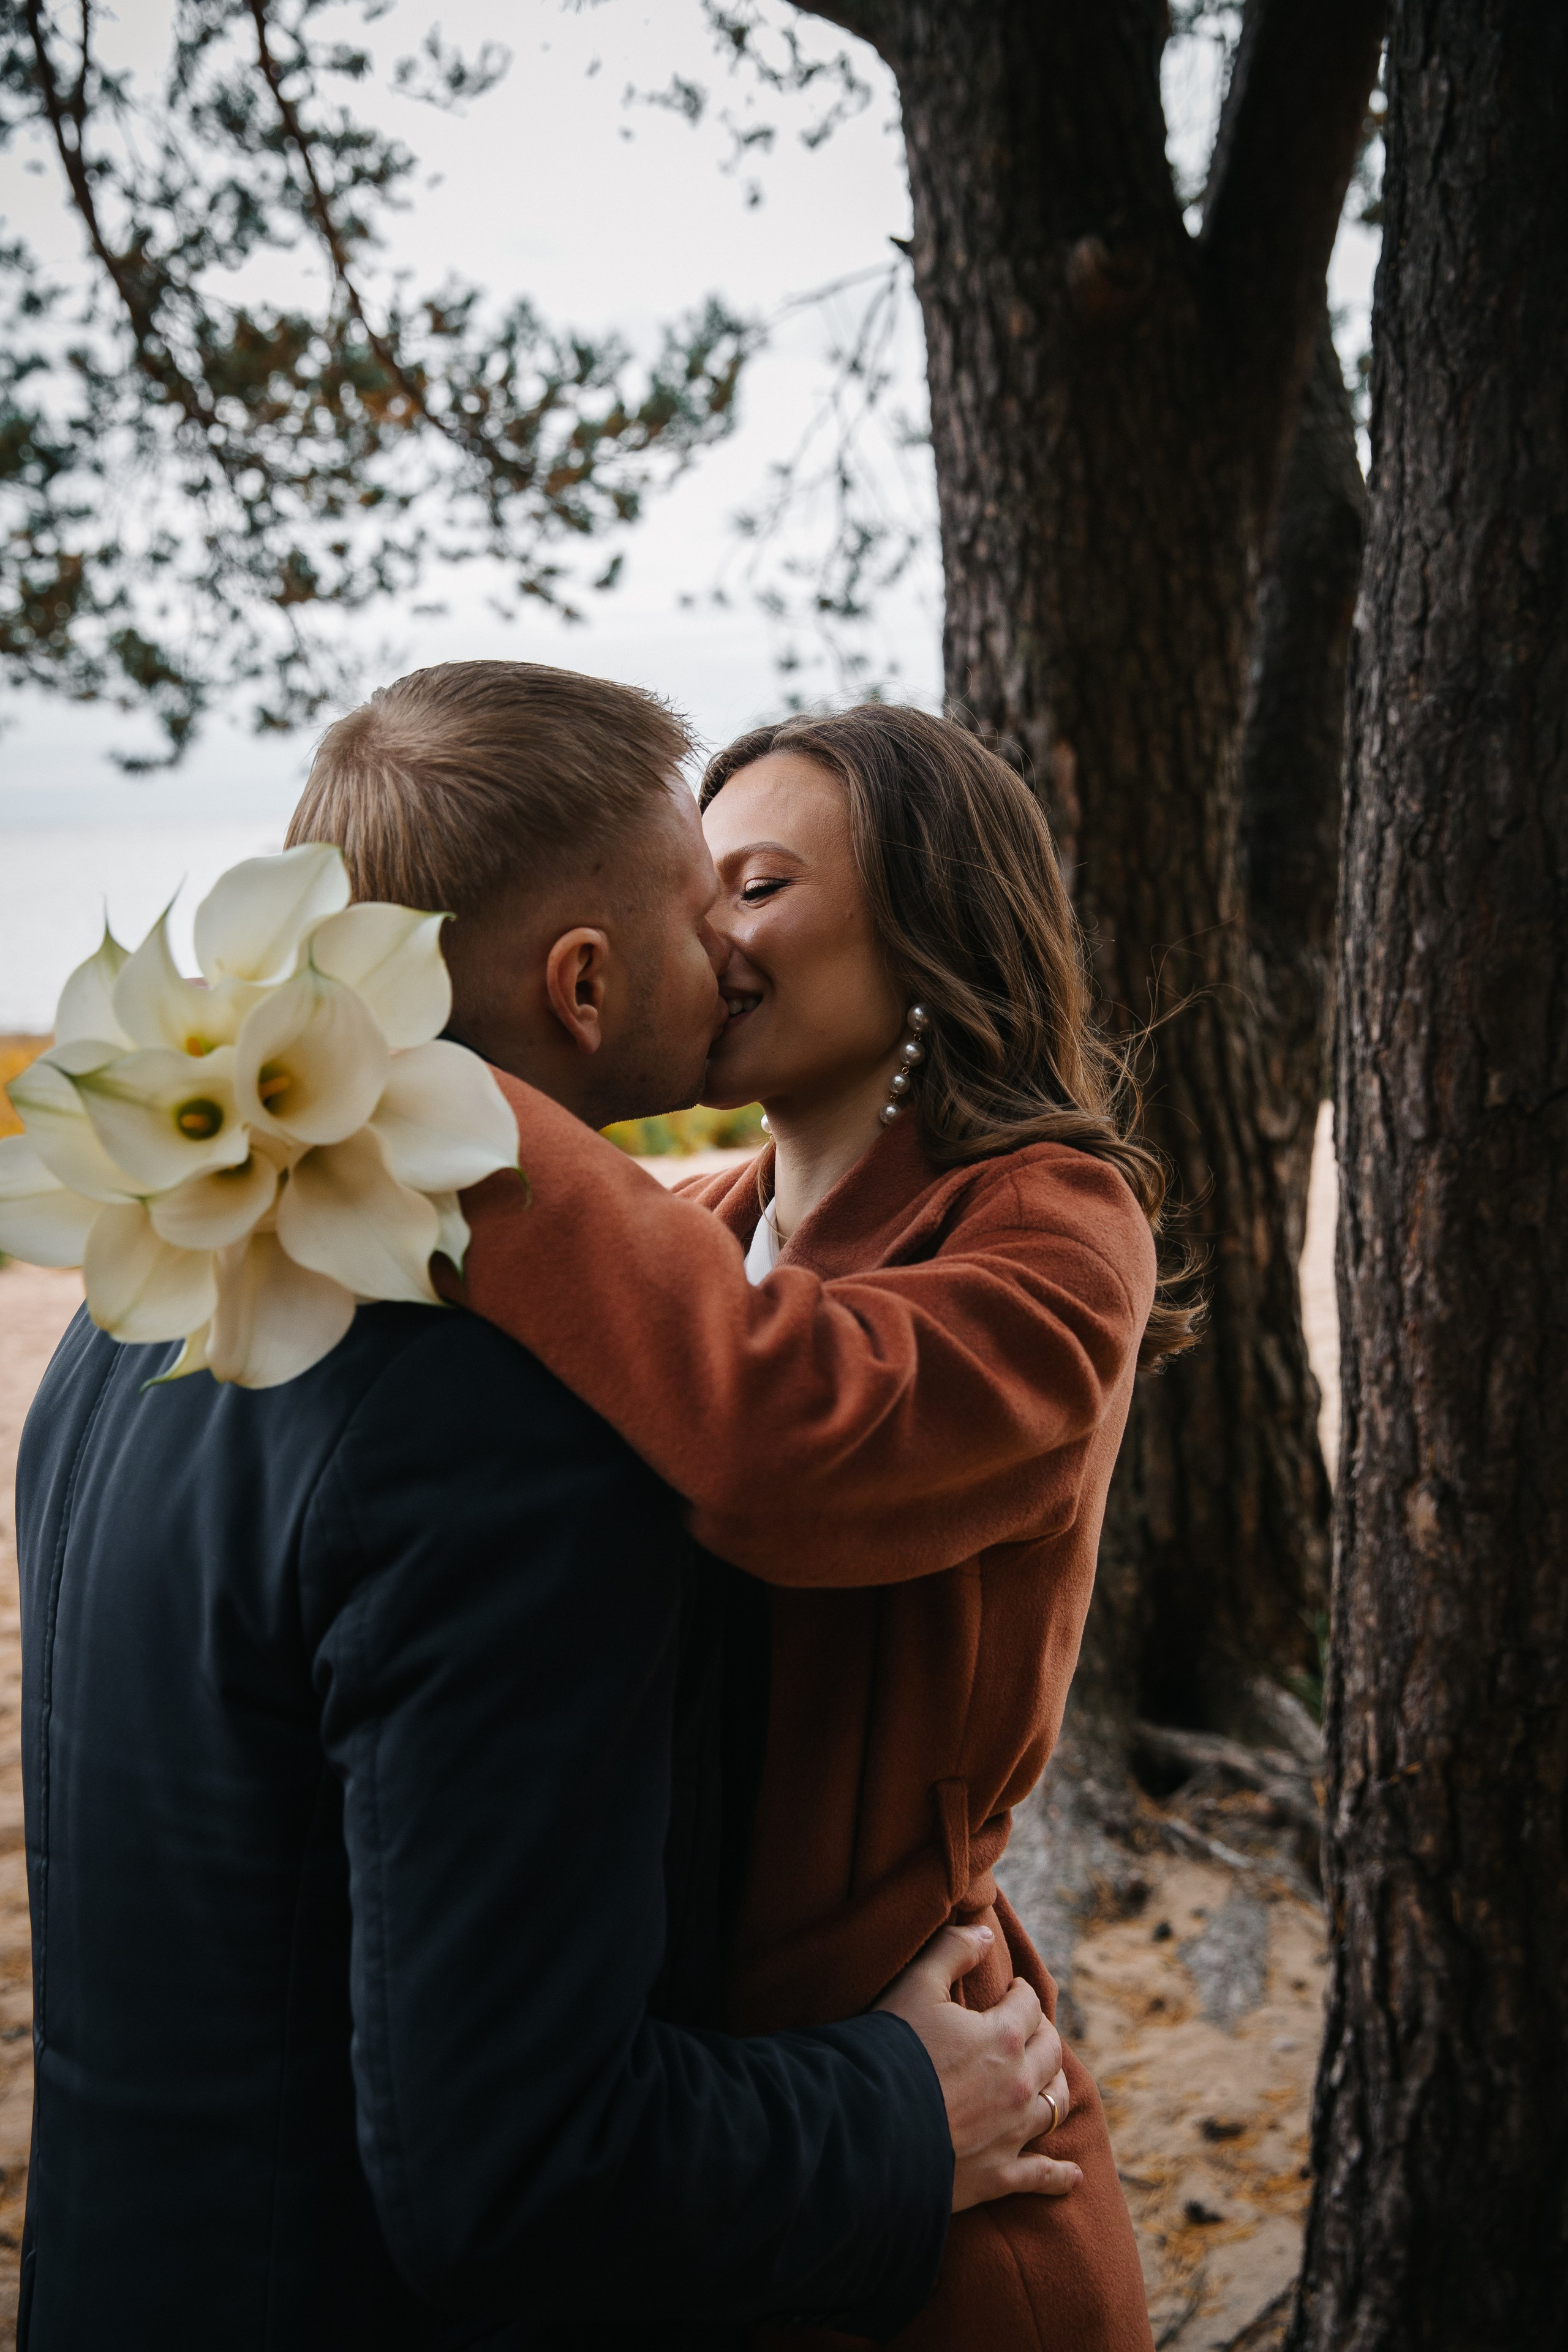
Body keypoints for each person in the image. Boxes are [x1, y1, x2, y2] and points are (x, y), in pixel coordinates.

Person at [14, 669, 1079, 2352]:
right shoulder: (497, 1413)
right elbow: (521, 2174)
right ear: (582, 985)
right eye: (699, 898)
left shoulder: (135, 1312)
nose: (732, 948)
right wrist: (896, 2110)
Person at [290, 674, 1193, 2350]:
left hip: (930, 2144)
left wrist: (437, 1090)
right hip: (686, 2133)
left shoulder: (1059, 1230)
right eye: (698, 889)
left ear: (930, 925)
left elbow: (790, 1438)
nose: (707, 929)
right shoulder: (684, 1222)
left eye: (761, 884)